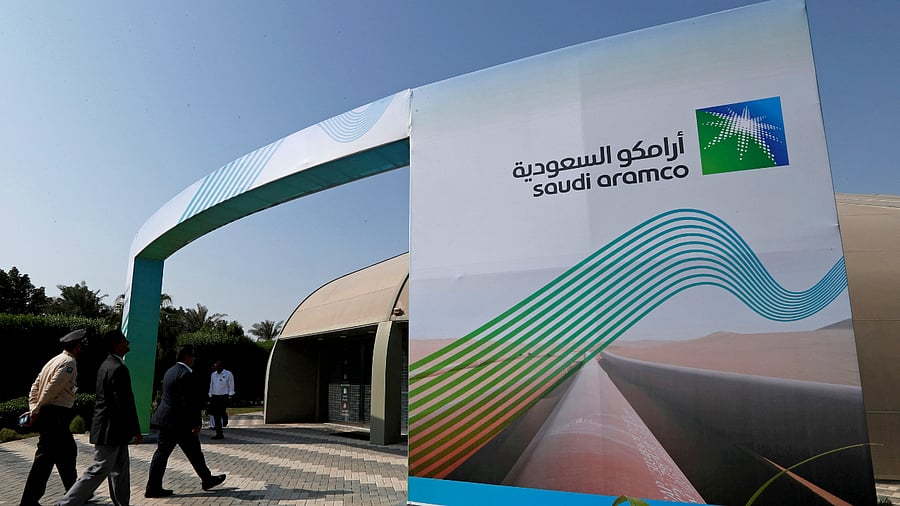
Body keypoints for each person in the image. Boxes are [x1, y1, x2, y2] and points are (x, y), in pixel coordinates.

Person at [57, 329, 142, 506]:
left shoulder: (106, 365)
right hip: (111, 430)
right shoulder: (118, 369)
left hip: (112, 429)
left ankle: (122, 503)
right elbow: (125, 404)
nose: (128, 344)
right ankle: (66, 503)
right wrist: (135, 430)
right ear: (117, 345)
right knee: (99, 469)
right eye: (125, 341)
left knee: (120, 470)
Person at [145, 345, 226, 498]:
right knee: (192, 452)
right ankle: (206, 479)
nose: (194, 359)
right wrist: (197, 422)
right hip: (179, 423)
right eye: (193, 356)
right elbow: (189, 402)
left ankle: (154, 487)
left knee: (167, 453)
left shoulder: (170, 371)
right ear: (186, 357)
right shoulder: (186, 374)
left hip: (166, 420)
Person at [19, 329, 86, 506]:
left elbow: (35, 386)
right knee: (45, 460)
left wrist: (34, 406)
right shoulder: (69, 362)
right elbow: (52, 388)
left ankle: (74, 494)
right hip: (55, 415)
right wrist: (36, 411)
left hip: (51, 415)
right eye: (80, 345)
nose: (81, 348)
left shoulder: (53, 360)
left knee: (67, 455)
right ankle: (29, 501)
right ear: (76, 346)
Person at [208, 360, 235, 440]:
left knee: (221, 412)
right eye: (215, 365)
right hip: (215, 396)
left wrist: (230, 395)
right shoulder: (213, 375)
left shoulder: (228, 374)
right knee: (216, 415)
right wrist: (210, 394)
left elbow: (231, 385)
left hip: (224, 396)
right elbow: (211, 384)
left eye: (217, 365)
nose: (216, 367)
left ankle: (225, 416)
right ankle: (219, 433)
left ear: (221, 366)